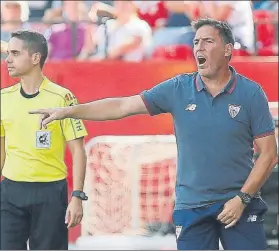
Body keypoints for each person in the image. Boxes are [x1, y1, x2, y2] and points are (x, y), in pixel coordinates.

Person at [30, 18, 278, 250]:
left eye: (208, 41)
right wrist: (69, 111)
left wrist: (242, 198)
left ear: (227, 50)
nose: (199, 47)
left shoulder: (250, 93)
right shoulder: (178, 88)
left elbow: (269, 153)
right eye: (196, 42)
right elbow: (122, 106)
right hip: (191, 206)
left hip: (240, 205)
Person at [1, 30, 88, 250]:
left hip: (50, 193)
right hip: (11, 192)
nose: (7, 59)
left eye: (15, 53)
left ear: (35, 58)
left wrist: (77, 196)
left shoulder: (62, 97)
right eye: (7, 53)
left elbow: (78, 151)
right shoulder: (3, 98)